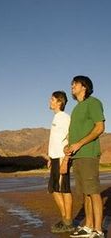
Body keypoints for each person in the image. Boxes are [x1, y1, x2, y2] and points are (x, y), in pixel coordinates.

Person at [65, 76, 105, 238]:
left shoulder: (93, 103)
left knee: (93, 192)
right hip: (77, 156)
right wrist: (68, 146)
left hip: (88, 153)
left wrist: (79, 144)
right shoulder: (76, 108)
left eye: (75, 83)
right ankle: (88, 227)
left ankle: (98, 230)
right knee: (85, 193)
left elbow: (100, 127)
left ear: (84, 86)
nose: (72, 86)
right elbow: (74, 133)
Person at [47, 90, 74, 233]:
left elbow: (70, 137)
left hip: (62, 158)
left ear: (59, 102)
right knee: (54, 189)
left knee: (64, 189)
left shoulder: (64, 117)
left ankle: (68, 221)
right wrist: (51, 158)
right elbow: (56, 140)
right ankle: (65, 219)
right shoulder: (56, 118)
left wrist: (66, 159)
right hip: (55, 158)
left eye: (52, 99)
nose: (50, 101)